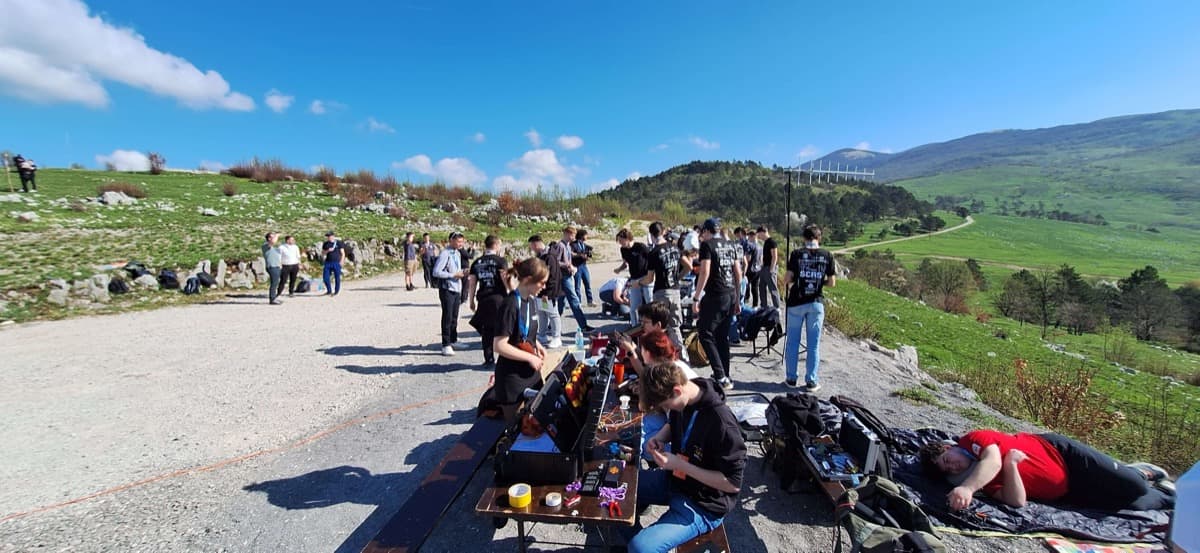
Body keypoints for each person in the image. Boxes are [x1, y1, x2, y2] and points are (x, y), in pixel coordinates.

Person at [625, 361, 747, 553]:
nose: (667, 409)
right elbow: (673, 424)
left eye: (666, 404)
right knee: (619, 486)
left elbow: (733, 483)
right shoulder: (687, 396)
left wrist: (680, 465)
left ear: (677, 390)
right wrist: (659, 438)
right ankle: (639, 540)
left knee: (640, 548)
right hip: (676, 481)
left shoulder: (722, 424)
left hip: (703, 504)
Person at [919, 429, 1174, 512]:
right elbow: (1016, 501)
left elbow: (993, 459)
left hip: (1065, 456)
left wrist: (967, 488)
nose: (951, 466)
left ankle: (1142, 472)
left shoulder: (973, 439)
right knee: (1138, 505)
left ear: (947, 446)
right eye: (947, 469)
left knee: (1135, 485)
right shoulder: (983, 480)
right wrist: (1012, 467)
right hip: (1068, 492)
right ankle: (1177, 497)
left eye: (946, 459)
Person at [485, 257, 550, 423]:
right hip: (512, 380)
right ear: (528, 280)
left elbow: (523, 333)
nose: (544, 287)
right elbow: (499, 345)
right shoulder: (510, 304)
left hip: (531, 375)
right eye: (541, 283)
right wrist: (530, 357)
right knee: (517, 429)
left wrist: (537, 344)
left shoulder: (531, 300)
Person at [781, 225, 837, 390]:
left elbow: (788, 278)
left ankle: (791, 378)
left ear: (804, 238)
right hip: (816, 303)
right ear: (819, 238)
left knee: (792, 342)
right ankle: (811, 380)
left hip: (796, 302)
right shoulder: (827, 255)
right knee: (813, 345)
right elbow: (832, 283)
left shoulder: (797, 254)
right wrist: (820, 282)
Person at [692, 218, 742, 390]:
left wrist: (697, 297)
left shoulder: (707, 245)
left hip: (716, 295)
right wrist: (738, 297)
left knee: (705, 333)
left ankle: (720, 375)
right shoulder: (730, 244)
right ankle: (725, 375)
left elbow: (704, 271)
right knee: (722, 336)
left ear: (706, 231)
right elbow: (738, 272)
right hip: (730, 294)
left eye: (702, 233)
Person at [468, 235, 510, 370]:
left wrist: (471, 301)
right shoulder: (500, 261)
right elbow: (506, 280)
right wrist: (512, 294)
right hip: (499, 298)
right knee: (503, 329)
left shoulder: (476, 262)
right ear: (496, 245)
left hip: (484, 299)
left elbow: (472, 283)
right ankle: (506, 358)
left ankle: (488, 358)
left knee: (487, 330)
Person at [645, 222, 686, 355]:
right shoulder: (674, 248)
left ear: (651, 235)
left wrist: (639, 283)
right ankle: (683, 356)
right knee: (675, 326)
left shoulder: (653, 253)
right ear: (663, 232)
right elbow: (689, 266)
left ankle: (662, 355)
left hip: (661, 291)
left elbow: (650, 278)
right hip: (675, 290)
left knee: (659, 326)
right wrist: (678, 278)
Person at [433, 231, 469, 356]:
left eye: (462, 241)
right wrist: (452, 275)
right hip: (447, 288)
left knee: (454, 316)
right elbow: (436, 272)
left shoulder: (457, 253)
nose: (461, 244)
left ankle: (453, 339)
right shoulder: (445, 253)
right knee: (447, 316)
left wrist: (463, 272)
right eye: (458, 241)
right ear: (451, 241)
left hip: (456, 287)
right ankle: (445, 344)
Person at [529, 235, 564, 349]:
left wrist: (547, 293)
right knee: (541, 313)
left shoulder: (549, 257)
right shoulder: (540, 256)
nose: (532, 249)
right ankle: (542, 335)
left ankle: (556, 337)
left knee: (552, 314)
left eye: (532, 246)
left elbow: (552, 277)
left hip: (548, 293)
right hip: (539, 292)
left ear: (536, 244)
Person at [555, 226, 592, 332]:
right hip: (564, 278)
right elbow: (555, 261)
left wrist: (571, 266)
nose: (574, 237)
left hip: (568, 276)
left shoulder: (567, 246)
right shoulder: (560, 246)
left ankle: (551, 325)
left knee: (561, 303)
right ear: (566, 233)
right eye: (572, 235)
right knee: (574, 300)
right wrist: (568, 265)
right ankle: (583, 326)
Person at [616, 228, 651, 327]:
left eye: (621, 240)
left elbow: (651, 259)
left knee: (650, 303)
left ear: (627, 238)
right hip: (634, 279)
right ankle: (634, 327)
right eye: (619, 241)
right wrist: (619, 269)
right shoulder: (623, 250)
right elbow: (625, 263)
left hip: (645, 277)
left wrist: (651, 274)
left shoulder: (640, 247)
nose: (620, 243)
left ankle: (652, 324)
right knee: (633, 306)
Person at [756, 226, 781, 309]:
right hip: (764, 267)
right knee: (761, 286)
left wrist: (772, 269)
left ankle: (777, 307)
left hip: (770, 268)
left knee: (773, 288)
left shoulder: (772, 242)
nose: (759, 237)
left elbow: (774, 256)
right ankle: (764, 306)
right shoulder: (766, 242)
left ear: (763, 232)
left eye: (759, 234)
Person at [571, 229, 595, 306]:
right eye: (585, 235)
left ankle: (590, 301)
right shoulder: (573, 244)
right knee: (577, 285)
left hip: (584, 266)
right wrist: (580, 255)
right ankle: (579, 302)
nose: (587, 237)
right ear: (581, 235)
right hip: (577, 266)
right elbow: (571, 254)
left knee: (587, 283)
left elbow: (587, 254)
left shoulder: (585, 245)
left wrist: (587, 256)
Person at [262, 232, 283, 305]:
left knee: (276, 282)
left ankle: (274, 297)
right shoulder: (265, 245)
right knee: (274, 283)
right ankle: (272, 299)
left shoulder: (273, 247)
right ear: (269, 238)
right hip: (272, 267)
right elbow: (273, 242)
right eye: (272, 236)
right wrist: (277, 235)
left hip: (277, 266)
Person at [321, 231, 344, 296]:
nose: (328, 237)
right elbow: (323, 253)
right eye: (327, 236)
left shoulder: (339, 243)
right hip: (328, 262)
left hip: (336, 262)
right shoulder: (325, 244)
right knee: (325, 278)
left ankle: (336, 291)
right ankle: (329, 290)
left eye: (329, 236)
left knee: (337, 277)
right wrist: (328, 250)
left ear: (333, 236)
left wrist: (342, 261)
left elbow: (343, 253)